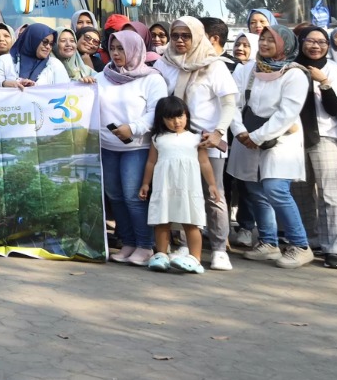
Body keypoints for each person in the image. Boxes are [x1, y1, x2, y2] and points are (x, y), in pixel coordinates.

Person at [155, 16, 239, 270]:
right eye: (175, 35)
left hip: (206, 140)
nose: (180, 40)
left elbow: (229, 103)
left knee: (213, 194)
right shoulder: (164, 62)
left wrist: (218, 133)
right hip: (174, 140)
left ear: (198, 36)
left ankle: (219, 248)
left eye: (186, 35)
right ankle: (184, 245)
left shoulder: (214, 65)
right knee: (180, 193)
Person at [229, 26, 311, 268]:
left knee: (276, 189)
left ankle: (300, 245)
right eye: (262, 39)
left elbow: (287, 113)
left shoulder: (294, 74)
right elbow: (233, 102)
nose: (264, 44)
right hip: (247, 137)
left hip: (280, 140)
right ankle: (268, 242)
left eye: (270, 40)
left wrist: (257, 136)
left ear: (284, 44)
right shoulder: (248, 69)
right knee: (255, 190)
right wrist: (240, 131)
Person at [99, 29, 167, 267]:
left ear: (135, 49)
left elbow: (156, 112)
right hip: (107, 146)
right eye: (112, 48)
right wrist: (84, 84)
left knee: (133, 197)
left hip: (136, 147)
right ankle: (128, 242)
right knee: (115, 196)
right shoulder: (102, 76)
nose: (116, 54)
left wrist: (133, 128)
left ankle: (145, 245)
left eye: (121, 49)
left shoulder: (152, 79)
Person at [139, 96, 221, 274]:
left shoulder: (196, 138)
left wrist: (212, 185)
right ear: (161, 119)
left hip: (188, 188)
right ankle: (161, 255)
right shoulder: (157, 139)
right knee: (162, 220)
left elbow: (204, 163)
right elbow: (151, 162)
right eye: (170, 118)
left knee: (191, 222)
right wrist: (145, 183)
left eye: (180, 116)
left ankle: (195, 259)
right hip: (164, 187)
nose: (176, 122)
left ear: (187, 115)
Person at [293, 26, 337, 269]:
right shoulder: (291, 67)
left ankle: (334, 249)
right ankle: (310, 240)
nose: (315, 46)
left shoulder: (334, 70)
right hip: (295, 137)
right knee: (300, 191)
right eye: (310, 41)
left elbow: (336, 109)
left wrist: (323, 82)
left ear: (327, 45)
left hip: (325, 136)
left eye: (321, 42)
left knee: (329, 194)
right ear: (301, 41)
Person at [0, 24, 67, 88]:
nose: (48, 47)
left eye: (51, 44)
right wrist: (5, 84)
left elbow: (64, 92)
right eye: (45, 42)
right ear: (33, 40)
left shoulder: (55, 65)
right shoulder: (4, 61)